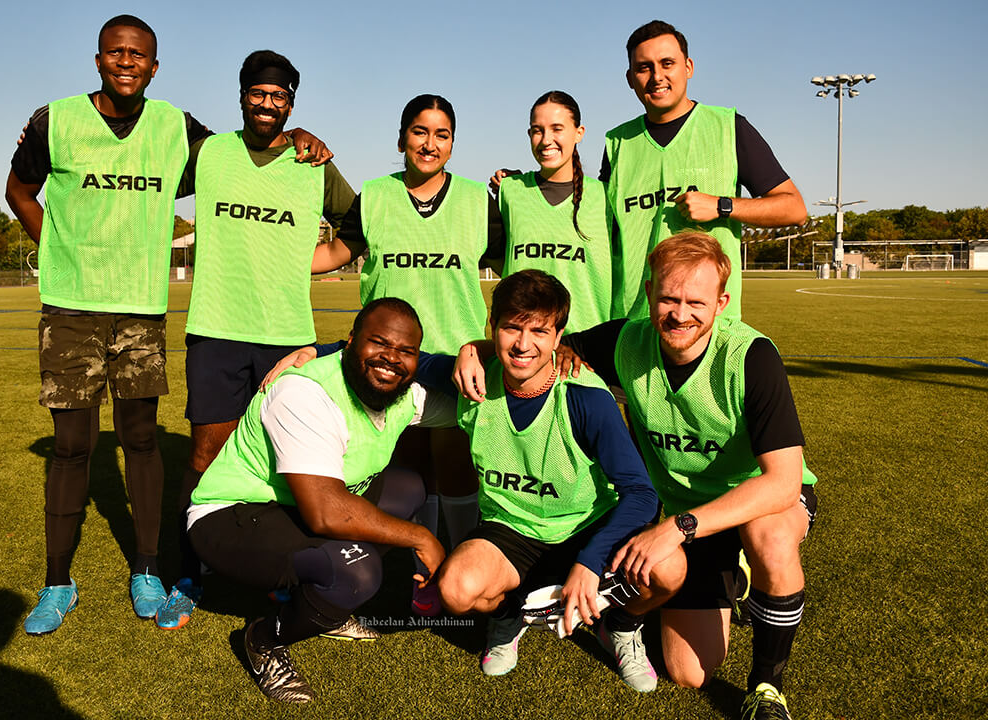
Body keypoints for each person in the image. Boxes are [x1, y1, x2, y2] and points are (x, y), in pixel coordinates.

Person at [3, 14, 329, 635]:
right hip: (71, 308)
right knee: (72, 446)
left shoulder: (179, 130)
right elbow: (19, 190)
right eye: (116, 52)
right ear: (98, 59)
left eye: (139, 55)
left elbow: (248, 147)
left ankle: (149, 570)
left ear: (155, 67)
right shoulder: (54, 121)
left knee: (142, 439)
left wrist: (297, 135)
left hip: (140, 309)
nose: (126, 62)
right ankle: (57, 582)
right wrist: (56, 252)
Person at [507, 232, 818, 720]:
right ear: (650, 293)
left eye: (696, 302)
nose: (680, 314)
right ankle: (732, 575)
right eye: (669, 299)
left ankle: (766, 688)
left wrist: (676, 527)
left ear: (721, 304)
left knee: (770, 536)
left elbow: (782, 481)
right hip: (686, 515)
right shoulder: (627, 341)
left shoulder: (751, 356)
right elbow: (537, 345)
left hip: (754, 504)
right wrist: (473, 350)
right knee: (689, 672)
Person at [159, 49, 355, 631]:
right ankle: (188, 574)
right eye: (259, 93)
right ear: (242, 95)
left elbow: (360, 226)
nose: (268, 104)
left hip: (287, 338)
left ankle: (281, 575)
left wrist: (309, 262)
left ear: (291, 103)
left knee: (284, 463)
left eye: (279, 96)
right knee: (205, 458)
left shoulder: (313, 163)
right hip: (217, 331)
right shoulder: (209, 153)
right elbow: (145, 180)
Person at [186, 298, 456, 704]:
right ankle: (264, 637)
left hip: (296, 507)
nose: (391, 359)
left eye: (406, 351)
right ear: (349, 342)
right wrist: (422, 537)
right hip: (232, 515)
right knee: (358, 572)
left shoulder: (403, 394)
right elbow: (327, 513)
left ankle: (319, 602)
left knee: (406, 490)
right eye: (379, 343)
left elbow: (475, 402)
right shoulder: (304, 391)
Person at [433, 270, 681, 689]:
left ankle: (620, 626)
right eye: (511, 328)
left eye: (539, 331)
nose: (523, 344)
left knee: (668, 567)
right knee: (457, 589)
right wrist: (319, 351)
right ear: (492, 326)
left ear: (558, 336)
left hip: (588, 526)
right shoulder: (472, 378)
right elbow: (400, 361)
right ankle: (508, 618)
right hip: (512, 529)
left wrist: (591, 560)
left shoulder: (586, 397)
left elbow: (641, 494)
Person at [312, 94, 505, 613]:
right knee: (405, 472)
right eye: (420, 131)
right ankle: (420, 570)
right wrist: (272, 251)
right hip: (390, 363)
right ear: (401, 139)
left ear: (452, 145)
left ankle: (458, 563)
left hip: (457, 362)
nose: (430, 143)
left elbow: (515, 262)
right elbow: (336, 252)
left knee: (456, 465)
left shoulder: (476, 200)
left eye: (442, 134)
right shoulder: (375, 195)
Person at [602, 20, 807, 322]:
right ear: (630, 78)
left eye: (667, 63)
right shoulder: (617, 143)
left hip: (709, 325)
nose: (657, 77)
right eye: (644, 68)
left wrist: (721, 206)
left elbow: (794, 208)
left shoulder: (729, 127)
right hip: (635, 326)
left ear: (688, 67)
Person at [494, 91, 615, 333]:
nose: (546, 140)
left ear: (579, 133)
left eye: (557, 129)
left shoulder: (606, 197)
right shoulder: (510, 191)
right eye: (537, 130)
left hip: (587, 347)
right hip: (524, 344)